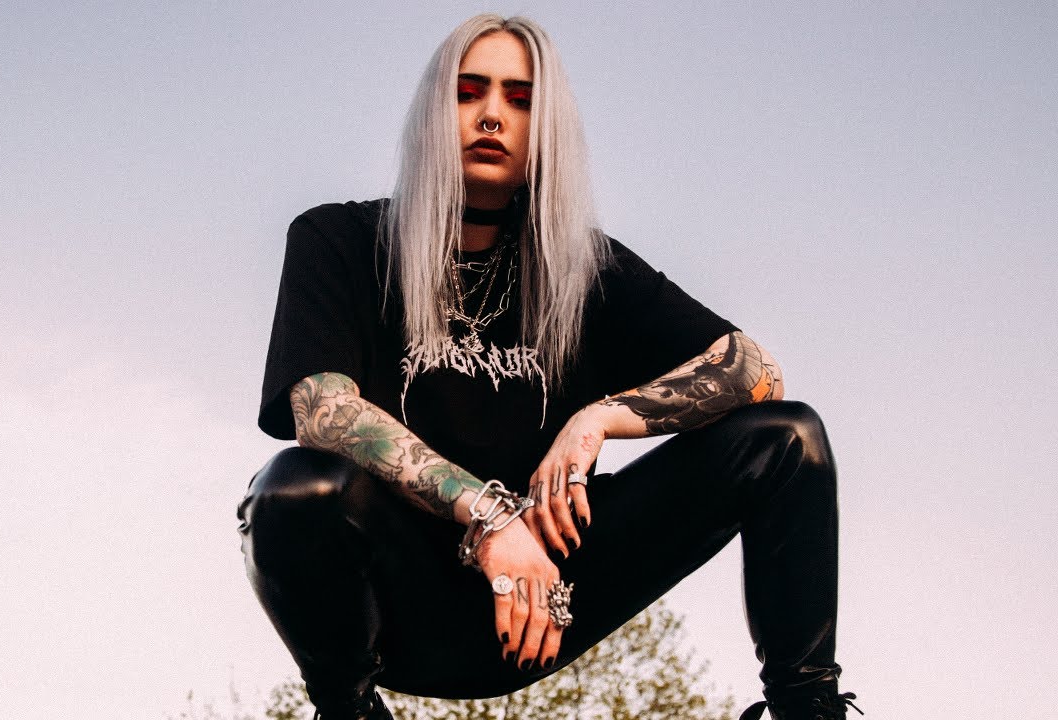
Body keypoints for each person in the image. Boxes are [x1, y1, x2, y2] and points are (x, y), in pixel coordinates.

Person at [239, 14, 859, 720]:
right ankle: (347, 710)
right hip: (398, 608)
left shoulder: (582, 268)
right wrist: (490, 519)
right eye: (468, 92)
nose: (492, 115)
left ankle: (807, 708)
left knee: (787, 438)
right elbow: (323, 412)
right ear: (431, 114)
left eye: (520, 99)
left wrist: (598, 419)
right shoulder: (338, 239)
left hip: (550, 595)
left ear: (546, 131)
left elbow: (753, 369)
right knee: (297, 488)